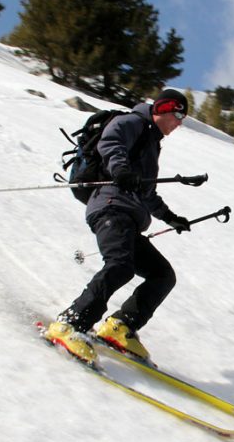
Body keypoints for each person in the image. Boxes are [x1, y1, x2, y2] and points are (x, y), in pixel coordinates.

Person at [45, 89, 192, 364]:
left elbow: (146, 192)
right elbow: (111, 143)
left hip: (129, 217)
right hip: (110, 207)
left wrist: (170, 217)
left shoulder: (151, 143)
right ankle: (70, 324)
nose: (179, 123)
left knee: (162, 275)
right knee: (120, 265)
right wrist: (120, 170)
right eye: (178, 115)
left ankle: (120, 326)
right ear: (162, 109)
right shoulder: (133, 122)